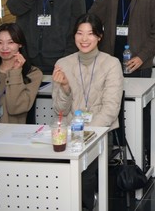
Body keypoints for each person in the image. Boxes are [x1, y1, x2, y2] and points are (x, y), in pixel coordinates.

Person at [52, 13, 124, 211]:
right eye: (80, 33)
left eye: (90, 34)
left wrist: (86, 134)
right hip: (69, 132)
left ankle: (85, 205)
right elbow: (59, 110)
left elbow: (110, 110)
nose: (84, 39)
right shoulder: (63, 64)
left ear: (99, 36)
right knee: (55, 168)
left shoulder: (111, 64)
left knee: (85, 171)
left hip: (100, 133)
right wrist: (65, 89)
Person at [0, 23, 43, 123]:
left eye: (11, 42)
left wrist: (15, 73)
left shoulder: (33, 73)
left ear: (20, 44)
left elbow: (15, 108)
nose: (5, 48)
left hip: (12, 130)